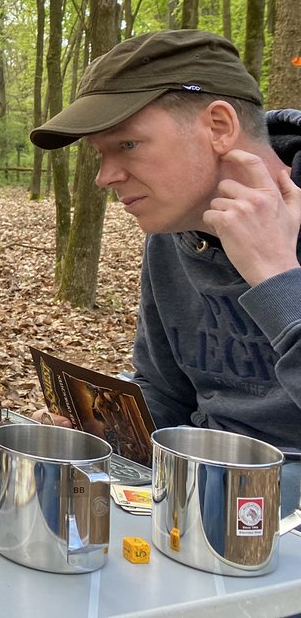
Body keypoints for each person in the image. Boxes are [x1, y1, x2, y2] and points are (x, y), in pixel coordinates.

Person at [30, 29, 301, 512]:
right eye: (100, 153)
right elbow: (166, 390)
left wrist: (277, 275)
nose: (104, 176)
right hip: (193, 490)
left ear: (218, 126)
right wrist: (101, 427)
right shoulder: (172, 232)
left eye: (128, 145)